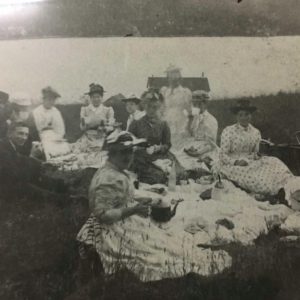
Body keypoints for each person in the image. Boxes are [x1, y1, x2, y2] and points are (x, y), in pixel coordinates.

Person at [77, 131, 228, 282]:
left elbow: (120, 197)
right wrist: (134, 209)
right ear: (111, 154)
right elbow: (103, 215)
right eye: (122, 153)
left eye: (130, 151)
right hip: (109, 230)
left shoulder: (115, 171)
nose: (128, 156)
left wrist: (144, 199)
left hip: (121, 219)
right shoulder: (108, 178)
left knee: (165, 241)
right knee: (156, 254)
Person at [219, 100, 292, 196]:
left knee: (275, 162)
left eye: (247, 114)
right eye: (240, 115)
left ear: (251, 115)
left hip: (251, 161)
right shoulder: (228, 131)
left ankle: (289, 186)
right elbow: (222, 154)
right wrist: (236, 162)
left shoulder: (255, 132)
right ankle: (276, 192)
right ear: (236, 116)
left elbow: (256, 153)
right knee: (258, 178)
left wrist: (260, 153)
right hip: (233, 164)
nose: (244, 118)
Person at [129, 90, 185, 185]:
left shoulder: (163, 124)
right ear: (144, 107)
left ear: (159, 108)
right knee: (158, 177)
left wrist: (158, 148)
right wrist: (137, 146)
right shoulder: (136, 123)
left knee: (179, 174)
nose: (151, 110)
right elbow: (129, 142)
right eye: (148, 107)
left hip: (159, 155)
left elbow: (167, 144)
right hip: (141, 157)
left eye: (154, 107)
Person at [160, 64, 192, 148]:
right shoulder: (165, 92)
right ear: (168, 79)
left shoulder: (185, 92)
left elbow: (190, 112)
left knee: (179, 147)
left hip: (180, 123)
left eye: (176, 78)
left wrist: (187, 127)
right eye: (171, 78)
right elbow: (161, 109)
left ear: (179, 78)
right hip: (166, 122)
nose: (173, 81)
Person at [184, 90, 218, 160]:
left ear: (205, 104)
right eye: (194, 104)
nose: (196, 107)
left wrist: (198, 152)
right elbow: (189, 135)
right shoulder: (194, 117)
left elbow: (211, 144)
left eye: (199, 104)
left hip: (206, 150)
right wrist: (189, 121)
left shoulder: (211, 120)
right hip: (193, 146)